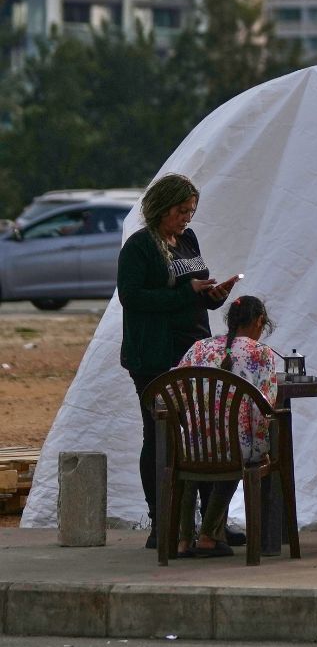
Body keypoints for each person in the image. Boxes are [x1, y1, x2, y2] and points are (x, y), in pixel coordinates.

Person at [118, 174, 238, 550]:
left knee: (202, 435)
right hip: (154, 356)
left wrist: (213, 295)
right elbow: (133, 298)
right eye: (181, 211)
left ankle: (206, 526)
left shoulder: (188, 241)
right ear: (161, 207)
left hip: (193, 352)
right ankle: (163, 521)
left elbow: (195, 292)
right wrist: (185, 292)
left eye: (191, 211)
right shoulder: (139, 248)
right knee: (159, 434)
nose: (187, 218)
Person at [173, 296, 283, 558]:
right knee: (241, 449)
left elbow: (171, 393)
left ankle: (183, 540)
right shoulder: (261, 354)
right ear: (259, 322)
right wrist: (261, 443)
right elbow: (264, 406)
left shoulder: (199, 348)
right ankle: (209, 536)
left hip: (192, 447)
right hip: (234, 449)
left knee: (196, 463)